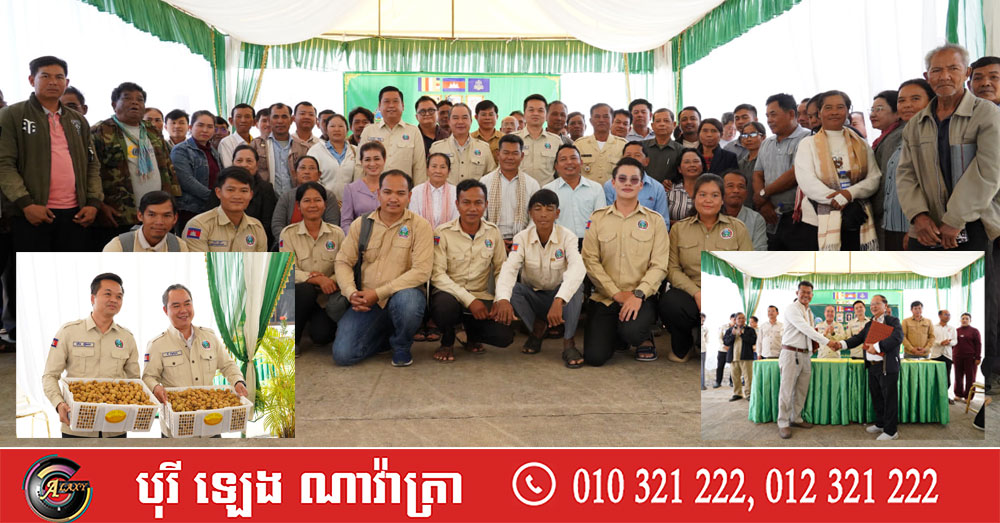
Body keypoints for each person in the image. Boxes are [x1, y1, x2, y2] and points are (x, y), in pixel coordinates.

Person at [897, 44, 999, 253]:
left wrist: (955, 219)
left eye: (953, 68)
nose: (944, 76)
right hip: (926, 229)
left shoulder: (986, 113)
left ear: (967, 72)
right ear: (927, 76)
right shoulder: (916, 123)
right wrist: (918, 216)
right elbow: (906, 174)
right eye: (936, 70)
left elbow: (988, 171)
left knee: (974, 276)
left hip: (974, 224)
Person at [332, 170, 433, 367]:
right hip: (367, 301)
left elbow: (422, 271)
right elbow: (343, 261)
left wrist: (379, 293)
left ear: (409, 196)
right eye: (387, 192)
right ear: (378, 194)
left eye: (400, 193)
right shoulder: (361, 224)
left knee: (409, 302)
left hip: (401, 297)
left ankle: (401, 345)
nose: (393, 198)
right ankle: (386, 338)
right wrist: (352, 293)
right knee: (343, 355)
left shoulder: (420, 226)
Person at [0, 56, 101, 252]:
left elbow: (92, 164)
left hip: (76, 214)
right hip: (32, 212)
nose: (53, 82)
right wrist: (26, 204)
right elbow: (4, 164)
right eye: (45, 76)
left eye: (59, 77)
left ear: (66, 82)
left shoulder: (78, 120)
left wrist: (93, 202)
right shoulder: (11, 115)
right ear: (32, 80)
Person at [581, 157, 669, 365]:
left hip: (640, 297)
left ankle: (641, 336)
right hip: (606, 296)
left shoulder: (654, 220)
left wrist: (638, 294)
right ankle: (617, 335)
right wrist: (615, 293)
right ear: (613, 183)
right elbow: (590, 260)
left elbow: (659, 265)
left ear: (641, 185)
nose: (628, 183)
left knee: (633, 331)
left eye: (633, 180)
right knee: (595, 358)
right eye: (622, 179)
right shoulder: (597, 218)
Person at [661, 173, 751, 362]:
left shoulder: (737, 228)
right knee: (670, 302)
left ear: (722, 199)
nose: (708, 200)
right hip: (691, 294)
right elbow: (672, 269)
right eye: (702, 195)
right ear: (694, 198)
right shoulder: (679, 229)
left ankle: (705, 341)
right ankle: (685, 346)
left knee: (716, 355)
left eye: (714, 195)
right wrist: (696, 293)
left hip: (725, 295)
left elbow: (747, 267)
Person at [142, 283, 248, 437]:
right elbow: (148, 377)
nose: (183, 310)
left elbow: (228, 365)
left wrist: (238, 381)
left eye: (187, 304)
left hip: (211, 423)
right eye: (176, 306)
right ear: (165, 310)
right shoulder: (157, 344)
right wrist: (156, 387)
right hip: (177, 429)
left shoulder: (209, 337)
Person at [494, 189, 586, 366]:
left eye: (549, 209)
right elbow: (509, 268)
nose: (543, 214)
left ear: (557, 213)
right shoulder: (521, 238)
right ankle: (537, 330)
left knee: (577, 286)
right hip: (535, 297)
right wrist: (502, 299)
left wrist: (559, 299)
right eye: (537, 209)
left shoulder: (568, 237)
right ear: (530, 213)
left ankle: (569, 342)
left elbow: (577, 268)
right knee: (512, 290)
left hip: (560, 299)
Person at [42, 273, 138, 437]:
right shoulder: (69, 332)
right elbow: (49, 375)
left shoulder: (127, 338)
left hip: (115, 426)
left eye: (119, 296)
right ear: (93, 298)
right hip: (77, 424)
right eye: (108, 294)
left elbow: (135, 381)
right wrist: (59, 404)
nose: (114, 300)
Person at [91, 81, 181, 249]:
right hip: (119, 213)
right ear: (114, 104)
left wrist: (173, 199)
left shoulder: (151, 130)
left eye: (139, 99)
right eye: (127, 98)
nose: (135, 103)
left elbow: (167, 165)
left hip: (157, 212)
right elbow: (90, 172)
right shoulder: (100, 131)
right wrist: (100, 205)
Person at [428, 179, 512, 361]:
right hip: (450, 295)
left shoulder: (493, 232)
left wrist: (501, 298)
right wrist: (469, 300)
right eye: (466, 202)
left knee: (504, 336)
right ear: (457, 204)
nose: (472, 208)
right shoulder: (442, 233)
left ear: (486, 205)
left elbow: (502, 269)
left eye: (478, 203)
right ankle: (447, 341)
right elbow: (437, 275)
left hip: (480, 296)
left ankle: (469, 334)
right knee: (444, 306)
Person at [794, 90, 882, 251]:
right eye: (828, 108)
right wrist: (840, 201)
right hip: (817, 221)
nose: (834, 112)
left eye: (840, 107)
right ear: (819, 113)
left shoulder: (861, 143)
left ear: (848, 111)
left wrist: (849, 194)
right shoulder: (807, 144)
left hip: (856, 217)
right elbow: (807, 181)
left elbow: (874, 177)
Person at [279, 181, 348, 347]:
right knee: (306, 290)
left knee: (323, 336)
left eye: (317, 200)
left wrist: (330, 280)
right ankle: (291, 341)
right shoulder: (288, 234)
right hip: (298, 295)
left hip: (325, 298)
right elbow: (287, 269)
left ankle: (310, 323)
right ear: (298, 205)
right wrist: (315, 279)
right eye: (307, 201)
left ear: (325, 204)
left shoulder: (337, 233)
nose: (312, 205)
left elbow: (345, 265)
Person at [835, 294, 904, 440]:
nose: (873, 306)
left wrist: (877, 347)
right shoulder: (869, 324)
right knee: (877, 397)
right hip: (872, 367)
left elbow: (897, 337)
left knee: (889, 398)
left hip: (887, 366)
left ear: (885, 305)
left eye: (877, 303)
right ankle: (880, 423)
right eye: (871, 304)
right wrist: (841, 345)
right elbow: (857, 339)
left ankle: (891, 431)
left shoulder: (892, 321)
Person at [881, 79, 936, 250]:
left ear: (931, 101)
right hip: (892, 225)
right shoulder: (903, 135)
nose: (907, 105)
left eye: (915, 99)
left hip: (917, 227)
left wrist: (912, 228)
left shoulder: (934, 136)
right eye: (901, 100)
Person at [753, 93, 812, 251]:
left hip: (798, 217)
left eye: (773, 114)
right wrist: (764, 203)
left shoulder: (807, 139)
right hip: (771, 215)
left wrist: (763, 194)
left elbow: (795, 174)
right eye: (767, 116)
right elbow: (758, 174)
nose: (769, 120)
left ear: (791, 114)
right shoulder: (766, 143)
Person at [777, 281, 831, 439]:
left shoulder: (809, 312)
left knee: (801, 390)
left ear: (812, 295)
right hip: (790, 353)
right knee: (787, 390)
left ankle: (796, 418)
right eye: (803, 292)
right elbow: (805, 329)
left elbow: (811, 332)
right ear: (797, 293)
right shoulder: (792, 308)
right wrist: (828, 342)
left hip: (806, 355)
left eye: (809, 293)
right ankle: (783, 422)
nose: (806, 295)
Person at [181, 166, 267, 252]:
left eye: (244, 191)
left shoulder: (256, 227)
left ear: (251, 195)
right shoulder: (198, 225)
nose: (237, 196)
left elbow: (261, 260)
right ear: (218, 193)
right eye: (230, 190)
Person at [480, 134, 541, 246]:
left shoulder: (532, 184)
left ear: (522, 156)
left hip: (525, 242)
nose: (510, 157)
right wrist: (496, 240)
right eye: (506, 153)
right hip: (490, 241)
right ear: (498, 154)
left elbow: (536, 217)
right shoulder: (484, 182)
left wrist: (520, 240)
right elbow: (481, 216)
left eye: (515, 153)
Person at [360, 86, 427, 184]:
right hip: (373, 190)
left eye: (395, 101)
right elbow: (359, 166)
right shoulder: (368, 131)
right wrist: (359, 190)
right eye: (386, 101)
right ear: (379, 106)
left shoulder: (413, 132)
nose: (391, 105)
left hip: (403, 190)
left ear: (403, 105)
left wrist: (418, 192)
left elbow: (419, 168)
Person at [542, 144, 606, 243]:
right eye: (563, 159)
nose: (569, 162)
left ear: (581, 162)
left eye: (573, 158)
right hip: (559, 243)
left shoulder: (596, 188)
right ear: (556, 166)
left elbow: (601, 220)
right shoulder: (548, 190)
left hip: (590, 243)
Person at [170, 110, 221, 229]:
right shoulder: (181, 150)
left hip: (212, 207)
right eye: (200, 125)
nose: (205, 130)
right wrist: (213, 197)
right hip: (191, 209)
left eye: (210, 127)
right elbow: (186, 181)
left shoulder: (213, 150)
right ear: (190, 127)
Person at [272, 155, 340, 244]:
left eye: (311, 168)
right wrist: (291, 243)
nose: (307, 172)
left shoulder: (329, 196)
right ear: (294, 174)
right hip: (289, 244)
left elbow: (333, 225)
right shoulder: (287, 197)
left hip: (322, 245)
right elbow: (277, 224)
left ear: (319, 174)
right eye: (302, 168)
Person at [602, 142, 669, 226]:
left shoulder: (657, 188)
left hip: (647, 232)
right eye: (628, 155)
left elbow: (663, 222)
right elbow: (607, 217)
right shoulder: (610, 185)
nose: (632, 158)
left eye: (637, 155)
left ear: (646, 161)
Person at [250, 103, 309, 196]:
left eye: (284, 117)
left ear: (291, 120)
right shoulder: (256, 145)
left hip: (295, 198)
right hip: (265, 198)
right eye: (275, 117)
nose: (280, 121)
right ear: (269, 120)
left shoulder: (303, 147)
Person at [430, 103, 496, 184]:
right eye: (455, 118)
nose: (460, 122)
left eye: (464, 118)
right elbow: (430, 178)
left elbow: (492, 178)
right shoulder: (437, 148)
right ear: (449, 121)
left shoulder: (484, 148)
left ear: (471, 121)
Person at [869, 91, 902, 247]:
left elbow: (886, 178)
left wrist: (873, 210)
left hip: (887, 213)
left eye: (879, 109)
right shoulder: (885, 136)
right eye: (872, 109)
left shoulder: (896, 137)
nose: (873, 114)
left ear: (897, 113)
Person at [103, 191, 188, 252]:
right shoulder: (119, 246)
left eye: (166, 215)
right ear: (140, 216)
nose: (159, 222)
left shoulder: (179, 246)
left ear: (175, 218)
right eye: (152, 215)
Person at [230, 144, 279, 248]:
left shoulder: (266, 189)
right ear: (232, 163)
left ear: (257, 165)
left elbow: (267, 224)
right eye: (239, 160)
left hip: (254, 243)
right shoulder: (221, 186)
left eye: (249, 161)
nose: (244, 165)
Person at [514, 94, 564, 185]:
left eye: (540, 110)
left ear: (546, 115)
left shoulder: (556, 141)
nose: (536, 113)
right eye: (531, 110)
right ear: (524, 114)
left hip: (546, 191)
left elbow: (562, 171)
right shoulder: (513, 139)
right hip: (519, 190)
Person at [308, 113, 357, 200]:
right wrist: (326, 197)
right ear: (326, 130)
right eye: (332, 126)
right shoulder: (315, 151)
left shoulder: (356, 151)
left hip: (352, 201)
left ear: (347, 130)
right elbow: (312, 177)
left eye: (341, 126)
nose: (337, 129)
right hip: (324, 201)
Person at [574, 103, 626, 185]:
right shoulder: (579, 145)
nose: (601, 120)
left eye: (605, 116)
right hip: (586, 192)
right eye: (597, 117)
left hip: (614, 192)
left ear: (612, 120)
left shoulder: (623, 145)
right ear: (591, 121)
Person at [341, 141, 385, 229]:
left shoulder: (392, 187)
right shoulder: (351, 189)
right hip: (359, 236)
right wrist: (354, 237)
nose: (372, 164)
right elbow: (346, 222)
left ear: (384, 160)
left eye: (376, 159)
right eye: (367, 160)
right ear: (361, 162)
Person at [409, 152, 459, 229]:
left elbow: (456, 220)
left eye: (442, 167)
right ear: (427, 170)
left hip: (450, 234)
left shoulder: (456, 192)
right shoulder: (416, 191)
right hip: (421, 233)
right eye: (434, 166)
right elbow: (414, 219)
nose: (438, 171)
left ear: (449, 171)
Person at [722, 169, 767, 250]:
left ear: (746, 193)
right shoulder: (710, 217)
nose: (736, 190)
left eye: (741, 187)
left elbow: (760, 251)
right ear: (720, 191)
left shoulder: (756, 219)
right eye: (730, 186)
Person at [643, 108, 682, 187]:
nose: (662, 124)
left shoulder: (681, 150)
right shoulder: (641, 146)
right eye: (658, 121)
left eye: (666, 121)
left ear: (674, 124)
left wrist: (673, 182)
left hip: (670, 191)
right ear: (652, 126)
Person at [724, 312, 757, 401]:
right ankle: (737, 393)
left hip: (746, 357)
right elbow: (726, 342)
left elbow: (753, 341)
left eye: (743, 318)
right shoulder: (730, 330)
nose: (741, 320)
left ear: (745, 319)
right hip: (733, 357)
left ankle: (749, 394)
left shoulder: (750, 330)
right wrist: (733, 335)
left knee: (748, 377)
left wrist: (742, 334)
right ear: (735, 320)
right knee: (735, 377)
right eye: (739, 318)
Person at [666, 148, 704, 223]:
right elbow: (661, 219)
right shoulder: (669, 189)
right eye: (687, 162)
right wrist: (683, 226)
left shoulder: (711, 189)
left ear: (702, 166)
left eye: (696, 161)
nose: (692, 165)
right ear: (679, 169)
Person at [953, 312, 981, 402]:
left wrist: (978, 357)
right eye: (963, 318)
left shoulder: (974, 331)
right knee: (958, 376)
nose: (964, 320)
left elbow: (978, 344)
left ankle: (968, 396)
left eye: (966, 319)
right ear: (960, 320)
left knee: (970, 378)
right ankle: (958, 394)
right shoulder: (956, 331)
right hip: (957, 357)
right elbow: (952, 344)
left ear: (970, 320)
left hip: (970, 358)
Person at [736, 121, 765, 209]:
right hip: (745, 207)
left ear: (763, 137)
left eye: (753, 134)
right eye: (745, 135)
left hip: (764, 206)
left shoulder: (767, 159)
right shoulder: (740, 163)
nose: (748, 139)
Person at [931, 309, 957, 400]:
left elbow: (955, 341)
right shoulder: (933, 327)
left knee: (946, 378)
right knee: (934, 377)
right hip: (935, 355)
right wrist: (940, 343)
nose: (948, 316)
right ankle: (934, 396)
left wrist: (949, 342)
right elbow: (931, 340)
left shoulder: (952, 328)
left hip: (947, 356)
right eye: (946, 314)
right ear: (940, 316)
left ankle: (944, 396)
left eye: (949, 315)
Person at [714, 314, 737, 388]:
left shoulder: (737, 328)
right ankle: (718, 382)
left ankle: (732, 381)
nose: (735, 321)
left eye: (736, 319)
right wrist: (724, 346)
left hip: (733, 350)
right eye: (734, 319)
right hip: (722, 350)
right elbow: (719, 337)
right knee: (720, 366)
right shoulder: (723, 327)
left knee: (733, 367)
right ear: (730, 318)